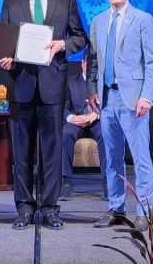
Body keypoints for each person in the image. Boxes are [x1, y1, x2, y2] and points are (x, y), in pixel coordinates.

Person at [0, 0, 88, 230]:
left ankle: (50, 208)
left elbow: (80, 37)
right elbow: (3, 43)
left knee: (52, 152)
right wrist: (4, 57)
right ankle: (24, 207)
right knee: (22, 153)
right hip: (21, 84)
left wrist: (63, 45)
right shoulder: (11, 1)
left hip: (53, 86)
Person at [85, 0, 153, 231]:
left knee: (141, 158)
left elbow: (152, 61)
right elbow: (93, 59)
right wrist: (92, 90)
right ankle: (116, 207)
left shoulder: (143, 19)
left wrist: (147, 96)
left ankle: (145, 211)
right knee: (111, 158)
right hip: (106, 98)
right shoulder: (98, 21)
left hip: (134, 99)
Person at [60, 56, 106, 201]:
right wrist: (71, 118)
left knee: (106, 135)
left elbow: (110, 106)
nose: (91, 68)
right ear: (82, 64)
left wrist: (96, 115)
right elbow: (63, 105)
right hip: (76, 120)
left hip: (96, 120)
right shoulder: (71, 81)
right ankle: (65, 181)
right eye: (89, 64)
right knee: (65, 134)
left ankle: (108, 182)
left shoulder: (104, 82)